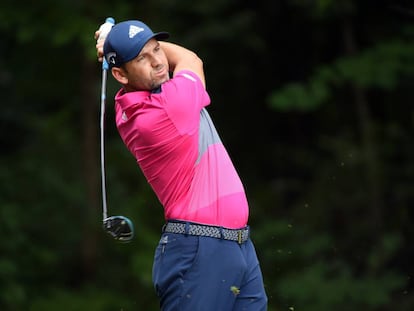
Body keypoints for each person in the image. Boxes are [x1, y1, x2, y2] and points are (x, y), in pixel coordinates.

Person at [95, 19, 268, 311]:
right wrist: (114, 37)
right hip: (200, 250)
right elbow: (190, 59)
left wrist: (120, 41)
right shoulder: (167, 108)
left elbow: (167, 64)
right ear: (119, 74)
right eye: (142, 58)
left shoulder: (134, 104)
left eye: (156, 49)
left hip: (236, 246)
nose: (157, 61)